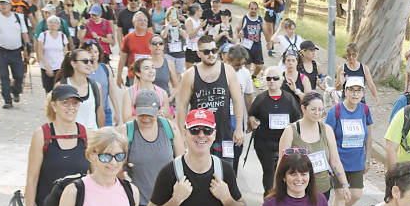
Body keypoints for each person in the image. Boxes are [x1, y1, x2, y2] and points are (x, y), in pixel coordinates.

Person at [177, 35, 246, 166]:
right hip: (199, 135)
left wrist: (238, 128)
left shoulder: (228, 71)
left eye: (214, 51)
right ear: (199, 53)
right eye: (206, 52)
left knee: (225, 171)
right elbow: (182, 105)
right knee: (200, 171)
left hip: (223, 133)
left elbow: (237, 101)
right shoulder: (190, 75)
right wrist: (181, 133)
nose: (211, 55)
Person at [279, 90, 350, 202]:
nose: (317, 113)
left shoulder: (327, 130)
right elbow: (281, 163)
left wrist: (345, 184)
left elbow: (335, 161)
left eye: (320, 109)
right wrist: (277, 190)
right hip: (298, 190)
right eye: (313, 109)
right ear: (303, 108)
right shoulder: (290, 131)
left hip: (322, 190)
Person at [326, 76, 373, 206]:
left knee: (356, 195)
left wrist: (368, 158)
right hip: (338, 161)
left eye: (359, 90)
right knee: (340, 195)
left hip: (357, 161)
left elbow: (369, 136)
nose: (355, 94)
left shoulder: (365, 110)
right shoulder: (336, 111)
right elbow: (327, 136)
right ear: (345, 91)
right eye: (352, 90)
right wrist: (329, 163)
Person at [248, 67, 302, 194]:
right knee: (269, 171)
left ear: (281, 80)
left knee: (285, 171)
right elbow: (251, 114)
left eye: (275, 78)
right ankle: (269, 198)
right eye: (269, 78)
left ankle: (283, 197)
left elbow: (297, 119)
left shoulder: (289, 98)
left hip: (285, 141)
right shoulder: (261, 98)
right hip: (264, 141)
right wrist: (252, 120)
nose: (272, 81)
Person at [0, 0, 29, 109]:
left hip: (16, 51)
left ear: (10, 5)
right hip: (1, 51)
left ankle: (16, 91)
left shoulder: (18, 17)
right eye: (1, 3)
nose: (3, 5)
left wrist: (27, 50)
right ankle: (7, 100)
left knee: (19, 76)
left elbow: (24, 34)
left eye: (6, 3)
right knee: (4, 77)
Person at [55, 49, 104, 130]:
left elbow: (100, 113)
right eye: (85, 61)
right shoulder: (61, 86)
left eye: (91, 61)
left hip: (91, 135)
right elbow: (54, 114)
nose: (89, 64)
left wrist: (101, 134)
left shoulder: (96, 86)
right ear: (73, 64)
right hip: (69, 134)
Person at [120, 56, 168, 124]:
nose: (151, 71)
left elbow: (169, 119)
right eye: (146, 68)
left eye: (153, 67)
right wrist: (152, 115)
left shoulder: (162, 93)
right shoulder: (129, 93)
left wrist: (163, 116)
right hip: (136, 130)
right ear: (138, 73)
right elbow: (126, 120)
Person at [83, 40, 120, 126]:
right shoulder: (82, 70)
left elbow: (111, 92)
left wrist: (117, 110)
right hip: (87, 113)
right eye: (89, 52)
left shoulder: (105, 68)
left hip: (105, 111)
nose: (93, 55)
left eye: (96, 52)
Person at [117, 12, 153, 87]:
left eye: (145, 20)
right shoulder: (128, 38)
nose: (143, 22)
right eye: (140, 20)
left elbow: (160, 56)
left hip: (150, 75)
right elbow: (123, 57)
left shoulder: (153, 38)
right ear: (134, 22)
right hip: (134, 75)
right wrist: (119, 76)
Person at [36, 15, 69, 93]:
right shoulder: (43, 36)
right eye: (50, 22)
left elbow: (65, 52)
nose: (53, 24)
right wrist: (47, 66)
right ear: (47, 24)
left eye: (55, 23)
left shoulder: (63, 36)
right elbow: (40, 52)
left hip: (59, 67)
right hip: (46, 67)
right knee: (48, 90)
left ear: (59, 25)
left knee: (59, 89)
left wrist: (65, 67)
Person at [236, 1, 269, 80]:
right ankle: (247, 82)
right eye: (251, 9)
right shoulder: (244, 19)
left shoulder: (260, 19)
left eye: (255, 9)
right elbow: (236, 30)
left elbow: (266, 31)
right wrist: (237, 35)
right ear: (248, 8)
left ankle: (254, 77)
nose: (253, 10)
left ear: (257, 9)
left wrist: (269, 42)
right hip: (246, 47)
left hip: (257, 46)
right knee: (247, 66)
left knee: (259, 66)